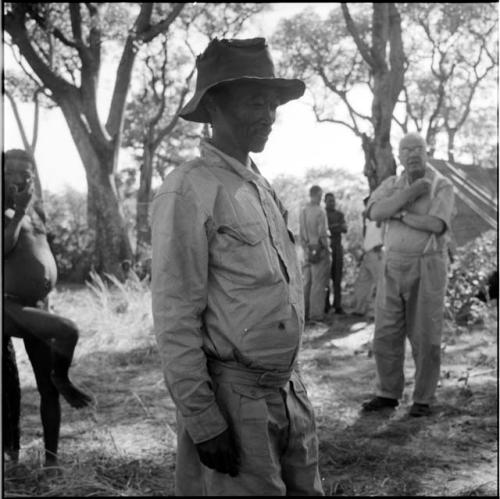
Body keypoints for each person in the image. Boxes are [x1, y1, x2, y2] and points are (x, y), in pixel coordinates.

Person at [151, 38, 324, 496]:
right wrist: (205, 421)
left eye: (272, 104)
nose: (268, 115)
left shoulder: (259, 186)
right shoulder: (187, 189)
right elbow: (174, 316)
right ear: (213, 107)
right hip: (235, 403)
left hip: (289, 394)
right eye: (255, 102)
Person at [3, 149, 92, 465]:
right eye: (12, 171)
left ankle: (52, 462)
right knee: (68, 330)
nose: (21, 177)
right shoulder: (8, 211)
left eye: (26, 172)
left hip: (39, 304)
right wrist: (17, 212)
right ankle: (63, 376)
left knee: (47, 388)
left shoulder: (34, 211)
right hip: (9, 307)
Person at [361, 132, 455, 417]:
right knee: (385, 333)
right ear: (399, 157)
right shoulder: (392, 184)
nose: (412, 153)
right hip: (393, 266)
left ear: (427, 152)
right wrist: (410, 195)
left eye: (418, 148)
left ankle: (423, 399)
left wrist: (399, 214)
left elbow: (436, 225)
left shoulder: (442, 184)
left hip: (427, 265)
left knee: (426, 335)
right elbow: (374, 212)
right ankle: (387, 394)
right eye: (406, 149)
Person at [299, 185, 331, 323]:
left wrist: (305, 247)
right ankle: (316, 315)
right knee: (318, 283)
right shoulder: (320, 211)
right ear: (318, 195)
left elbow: (301, 232)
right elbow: (322, 233)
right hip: (319, 250)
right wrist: (327, 248)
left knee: (307, 283)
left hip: (306, 250)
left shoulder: (303, 211)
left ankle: (303, 313)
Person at [351, 196, 384, 317]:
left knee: (381, 283)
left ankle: (381, 312)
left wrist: (382, 244)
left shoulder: (381, 216)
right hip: (368, 252)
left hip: (377, 253)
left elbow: (387, 229)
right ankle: (359, 309)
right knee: (363, 282)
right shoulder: (368, 218)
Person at [324, 192, 347, 314]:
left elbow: (344, 229)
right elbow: (323, 230)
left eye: (333, 201)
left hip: (338, 249)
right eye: (329, 201)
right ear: (325, 202)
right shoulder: (322, 214)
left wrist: (331, 227)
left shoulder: (339, 214)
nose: (332, 203)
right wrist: (336, 227)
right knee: (326, 279)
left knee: (337, 279)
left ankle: (337, 305)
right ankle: (326, 305)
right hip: (326, 249)